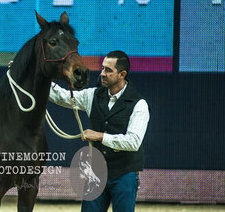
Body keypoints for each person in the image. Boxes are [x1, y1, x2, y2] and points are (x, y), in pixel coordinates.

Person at [49, 50, 150, 212]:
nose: (102, 74)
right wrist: (29, 75)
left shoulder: (139, 105)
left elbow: (133, 142)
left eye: (108, 70)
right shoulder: (93, 95)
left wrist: (99, 136)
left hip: (124, 175)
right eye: (103, 68)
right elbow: (62, 96)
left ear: (122, 74)